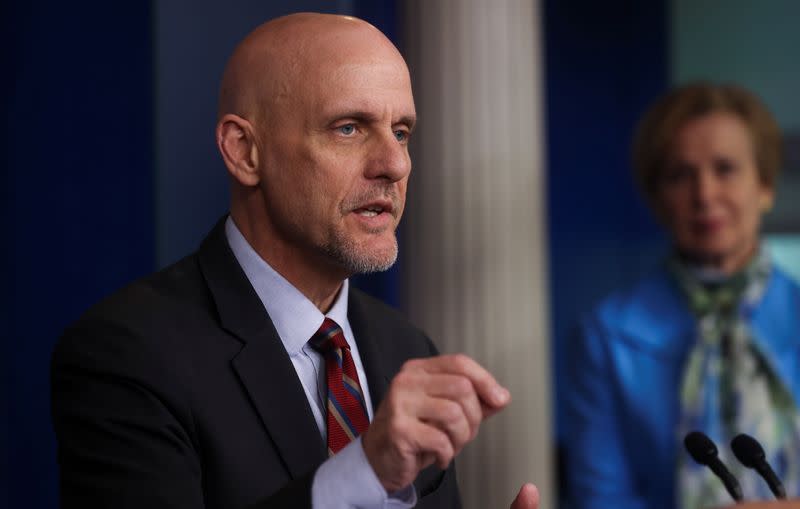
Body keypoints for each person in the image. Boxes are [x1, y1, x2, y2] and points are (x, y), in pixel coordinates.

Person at [51, 12, 539, 509]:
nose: (394, 164)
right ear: (244, 152)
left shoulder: (406, 346)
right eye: (349, 128)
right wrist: (362, 473)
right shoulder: (127, 354)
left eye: (402, 132)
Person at [562, 82, 800, 509]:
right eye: (680, 175)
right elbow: (601, 500)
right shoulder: (604, 337)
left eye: (725, 169)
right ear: (657, 199)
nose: (705, 195)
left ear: (765, 186)